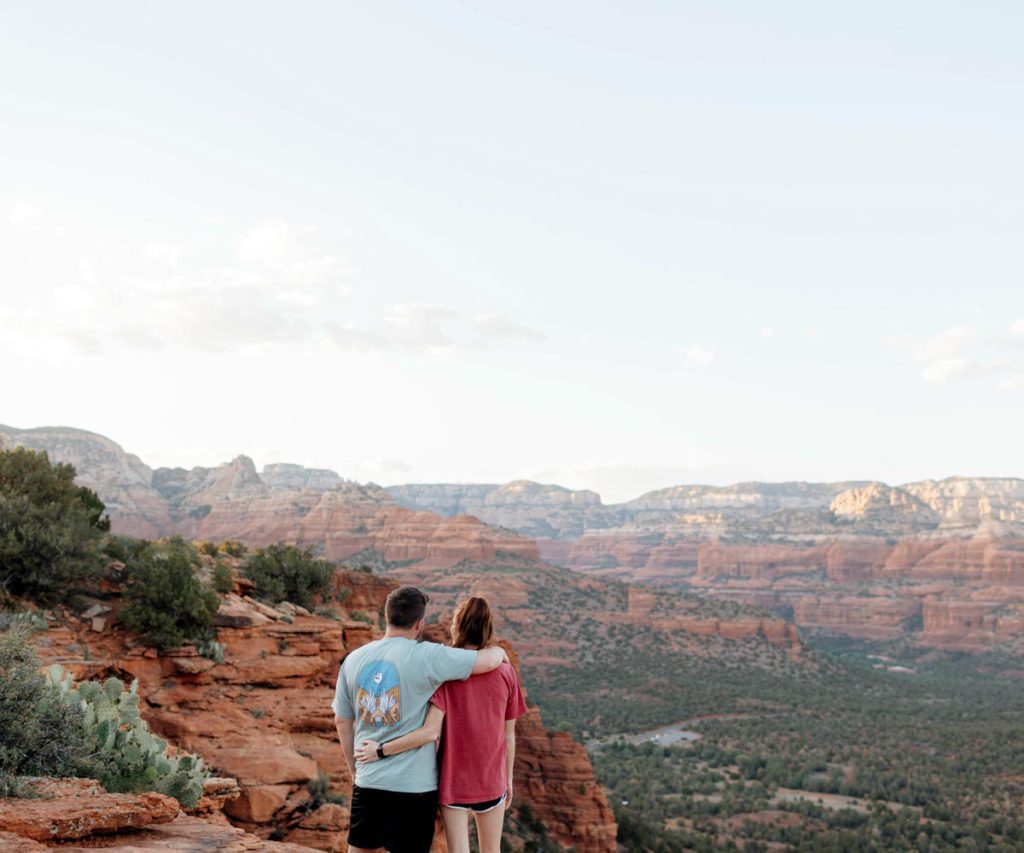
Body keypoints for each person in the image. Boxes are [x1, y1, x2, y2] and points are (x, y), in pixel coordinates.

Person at [333, 586, 509, 853]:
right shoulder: (429, 655)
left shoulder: (353, 660)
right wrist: (500, 653)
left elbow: (342, 722)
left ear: (386, 617)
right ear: (420, 623)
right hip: (415, 788)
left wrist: (355, 772)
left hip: (369, 781)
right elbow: (483, 661)